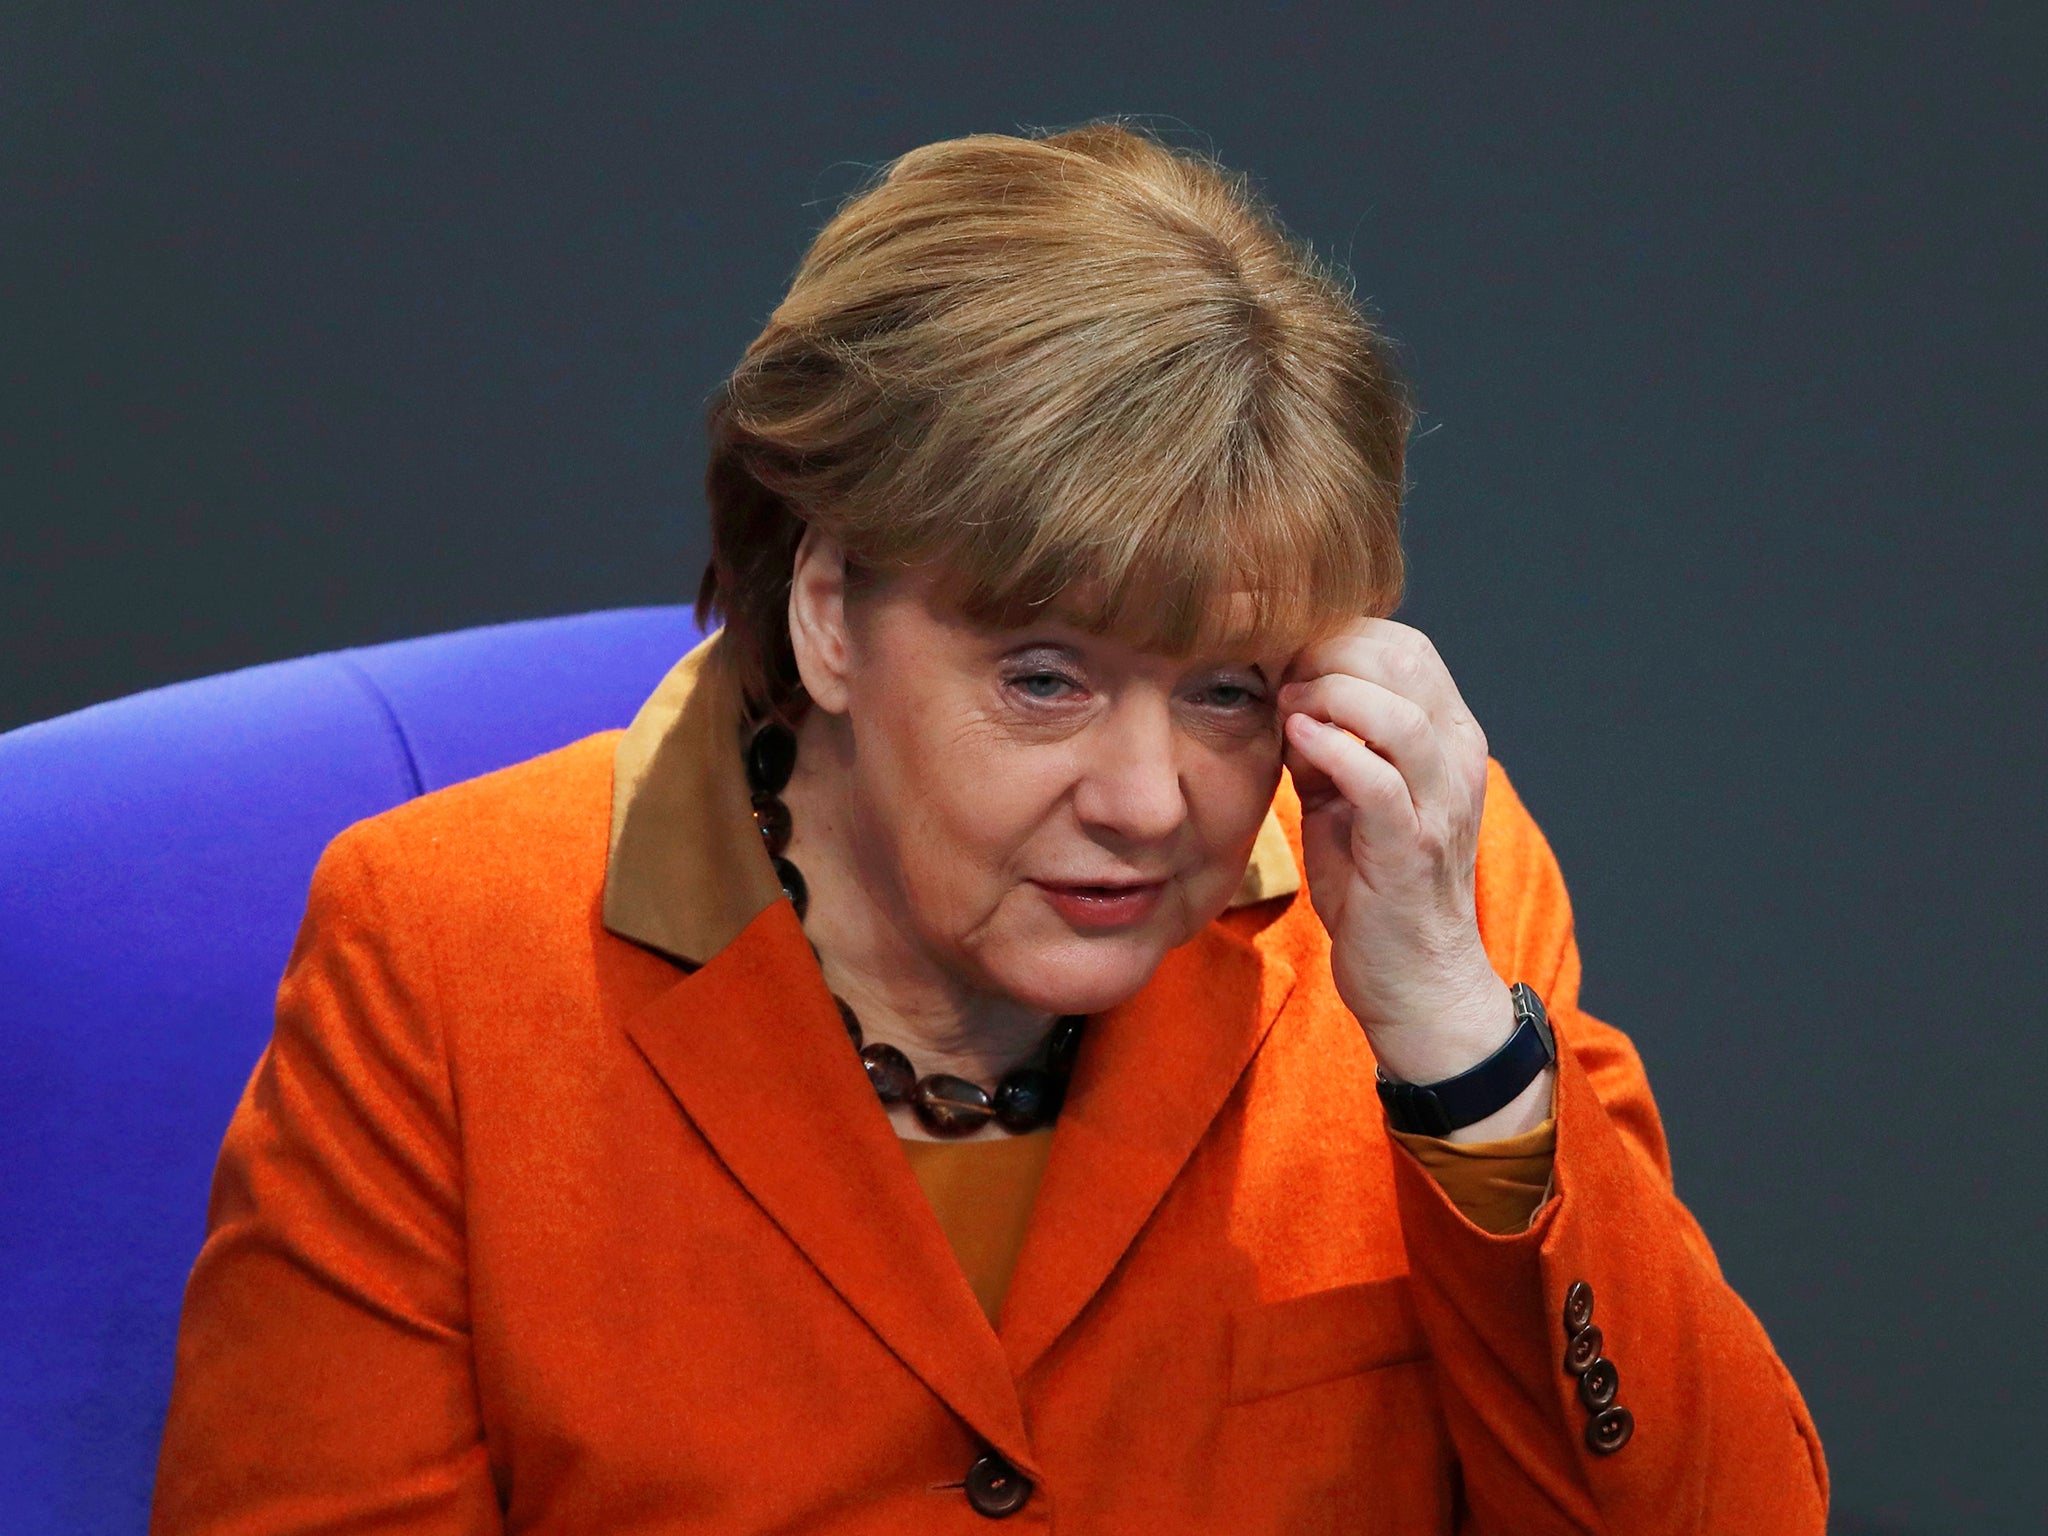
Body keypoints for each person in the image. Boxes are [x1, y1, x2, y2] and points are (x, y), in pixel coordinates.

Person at [151, 122, 1828, 1533]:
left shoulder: (1409, 897)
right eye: (1044, 678)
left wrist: (1456, 1049)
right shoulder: (447, 948)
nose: (1150, 797)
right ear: (825, 612)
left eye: (1232, 690)